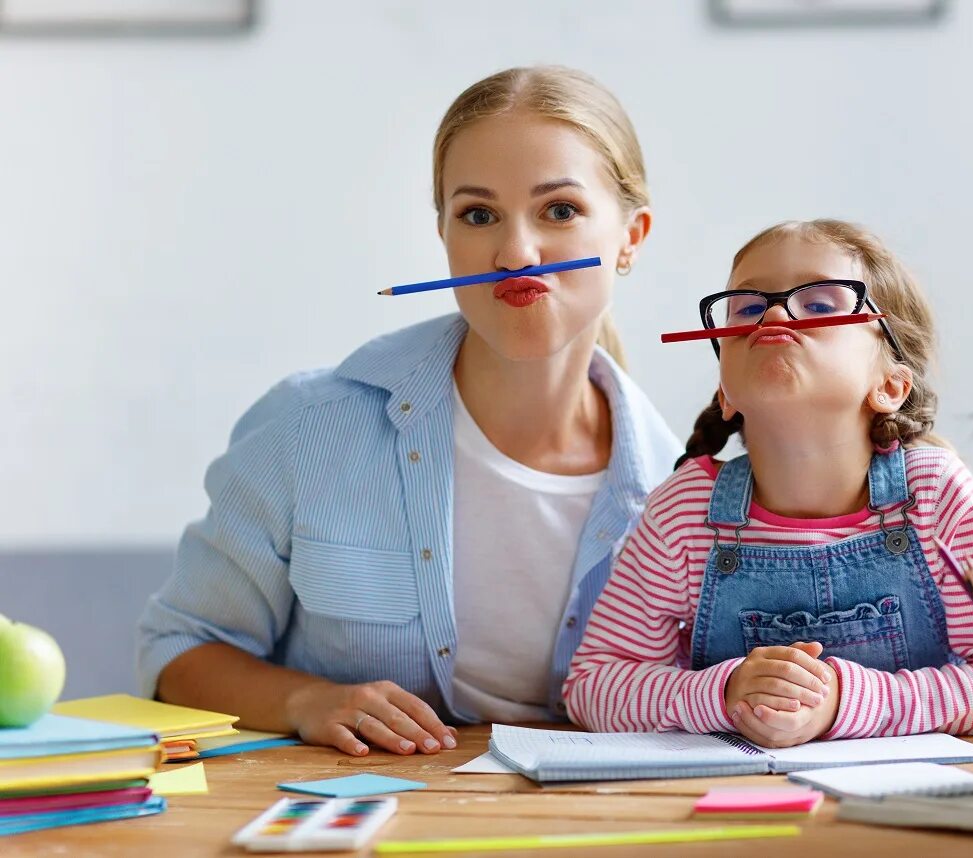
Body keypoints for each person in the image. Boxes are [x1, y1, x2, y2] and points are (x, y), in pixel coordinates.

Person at [138, 66, 681, 757]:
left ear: (632, 235)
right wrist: (304, 701)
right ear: (445, 235)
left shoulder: (680, 495)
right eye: (478, 215)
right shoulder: (308, 429)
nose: (515, 252)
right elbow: (176, 650)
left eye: (560, 210)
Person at [564, 219, 973, 748]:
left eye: (822, 304)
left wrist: (844, 702)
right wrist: (722, 693)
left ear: (891, 385)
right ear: (725, 394)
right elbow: (592, 684)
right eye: (747, 308)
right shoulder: (685, 511)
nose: (777, 314)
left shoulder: (935, 496)